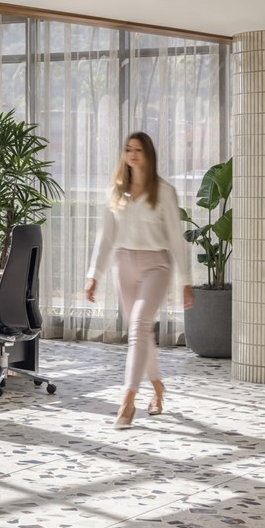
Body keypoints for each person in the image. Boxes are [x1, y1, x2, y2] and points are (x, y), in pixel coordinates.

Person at [84, 132, 194, 429]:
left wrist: (185, 280)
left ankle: (127, 401)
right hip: (124, 265)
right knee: (141, 333)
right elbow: (105, 237)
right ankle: (157, 387)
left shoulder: (164, 191)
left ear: (148, 155)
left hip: (157, 264)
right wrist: (94, 275)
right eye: (128, 149)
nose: (132, 154)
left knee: (138, 327)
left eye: (138, 150)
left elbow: (176, 237)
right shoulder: (117, 191)